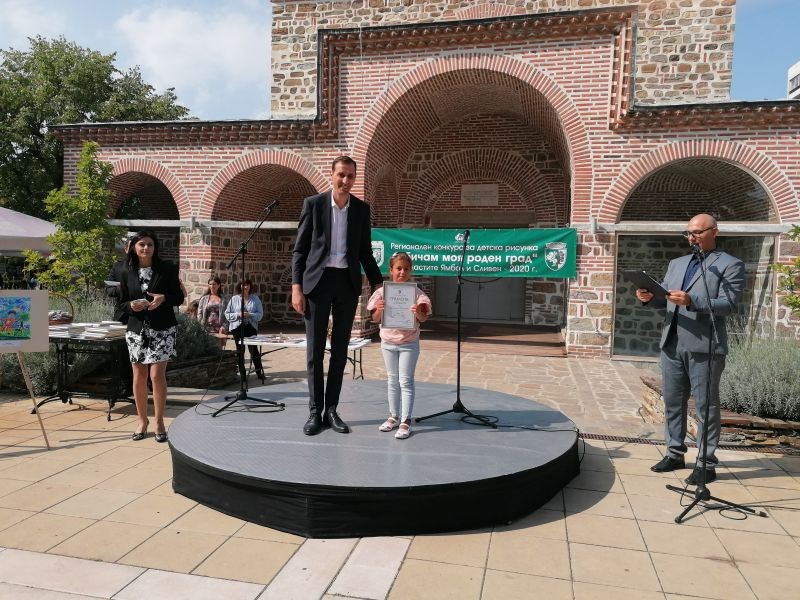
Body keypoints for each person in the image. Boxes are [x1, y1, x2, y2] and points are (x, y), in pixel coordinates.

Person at [635, 214, 745, 486]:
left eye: (697, 232)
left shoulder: (729, 264)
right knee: (673, 402)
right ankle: (674, 454)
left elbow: (729, 304)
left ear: (714, 232)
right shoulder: (677, 263)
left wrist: (692, 300)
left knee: (706, 407)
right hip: (672, 344)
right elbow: (665, 300)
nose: (691, 237)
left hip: (704, 347)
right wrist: (649, 298)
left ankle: (706, 463)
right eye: (688, 233)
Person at [292, 155, 383, 436]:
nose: (345, 180)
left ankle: (331, 410)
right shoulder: (314, 204)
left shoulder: (361, 209)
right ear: (331, 175)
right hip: (316, 284)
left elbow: (365, 253)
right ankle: (314, 412)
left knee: (340, 351)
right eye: (341, 175)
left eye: (350, 176)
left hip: (346, 283)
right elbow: (300, 250)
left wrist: (380, 286)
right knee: (315, 351)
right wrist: (296, 287)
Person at [119, 229, 184, 443]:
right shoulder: (125, 271)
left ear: (155, 247)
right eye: (142, 244)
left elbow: (179, 298)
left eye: (150, 244)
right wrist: (131, 305)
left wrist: (163, 298)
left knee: (156, 375)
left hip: (163, 328)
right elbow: (120, 303)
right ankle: (142, 421)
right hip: (136, 329)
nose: (146, 248)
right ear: (134, 248)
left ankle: (159, 422)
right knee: (139, 375)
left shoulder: (167, 269)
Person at [367, 252, 431, 439]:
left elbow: (423, 318)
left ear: (410, 271)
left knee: (406, 381)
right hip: (388, 342)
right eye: (399, 268)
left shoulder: (417, 294)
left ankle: (406, 420)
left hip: (408, 343)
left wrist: (417, 312)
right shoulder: (382, 293)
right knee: (392, 380)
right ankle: (393, 416)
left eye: (406, 269)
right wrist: (379, 309)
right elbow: (374, 318)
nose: (402, 272)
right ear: (391, 270)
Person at [224, 278, 265, 381]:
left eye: (247, 285)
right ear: (240, 286)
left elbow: (260, 315)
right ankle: (242, 375)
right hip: (237, 328)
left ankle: (259, 372)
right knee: (240, 351)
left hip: (251, 327)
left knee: (254, 350)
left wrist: (249, 315)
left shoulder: (255, 299)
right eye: (243, 285)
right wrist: (239, 315)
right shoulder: (234, 299)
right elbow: (227, 314)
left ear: (250, 287)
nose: (245, 287)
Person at [196, 275, 228, 347]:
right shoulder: (204, 298)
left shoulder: (224, 299)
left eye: (214, 284)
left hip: (219, 329)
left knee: (218, 349)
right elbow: (199, 313)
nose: (212, 286)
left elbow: (227, 314)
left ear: (218, 285)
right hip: (206, 328)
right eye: (210, 284)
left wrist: (224, 327)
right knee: (206, 349)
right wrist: (201, 325)